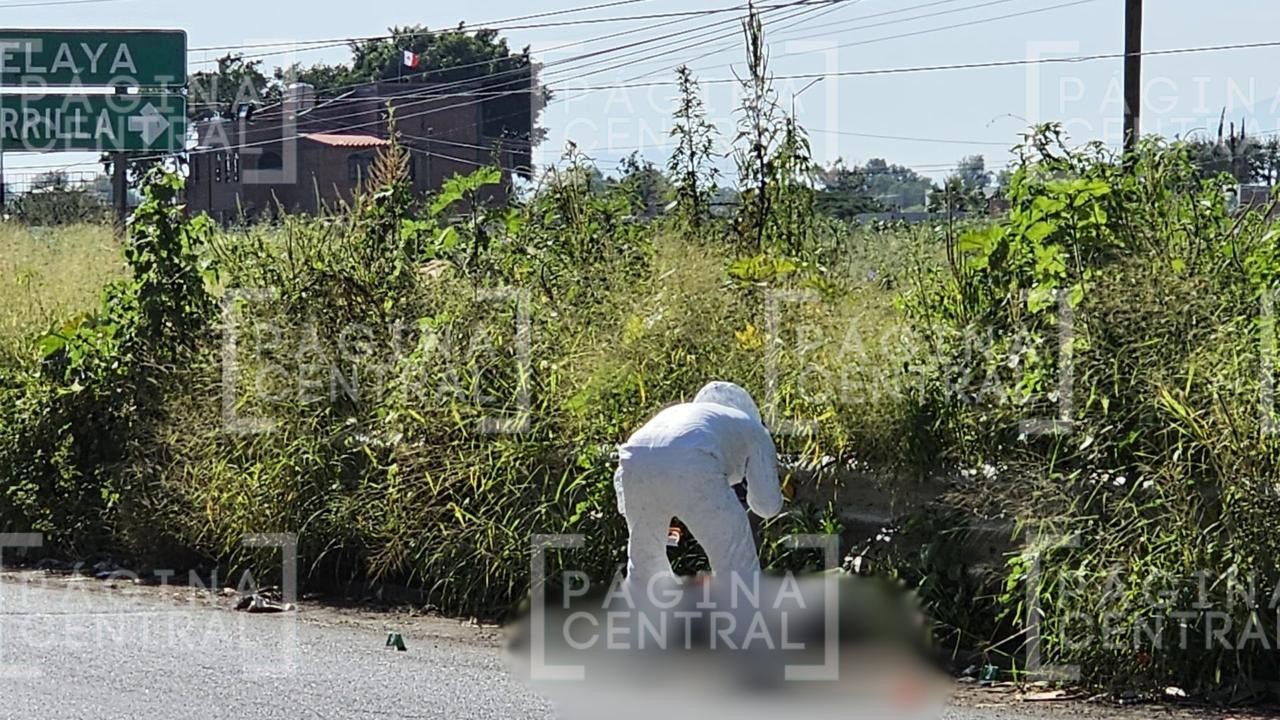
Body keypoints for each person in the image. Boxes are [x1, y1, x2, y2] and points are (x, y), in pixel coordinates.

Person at [613, 381, 782, 594]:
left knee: (645, 565)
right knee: (736, 562)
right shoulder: (755, 430)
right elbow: (767, 507)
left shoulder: (680, 413)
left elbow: (623, 491)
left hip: (634, 456)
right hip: (693, 457)